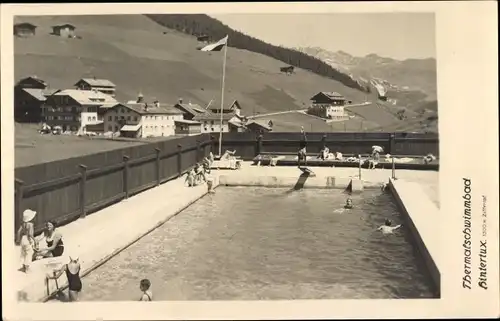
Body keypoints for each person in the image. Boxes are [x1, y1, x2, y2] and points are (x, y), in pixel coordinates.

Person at [17, 209, 37, 273]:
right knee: (29, 253)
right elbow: (30, 234)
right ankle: (27, 268)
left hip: (23, 238)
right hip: (28, 239)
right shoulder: (30, 224)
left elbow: (18, 231)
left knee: (23, 253)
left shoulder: (23, 224)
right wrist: (34, 240)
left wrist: (18, 239)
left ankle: (23, 267)